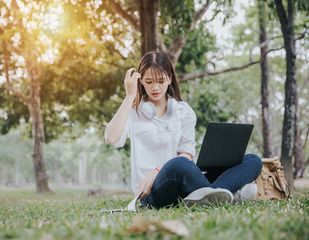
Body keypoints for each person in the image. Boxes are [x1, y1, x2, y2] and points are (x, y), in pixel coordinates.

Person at [104, 51, 262, 209]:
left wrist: (158, 170)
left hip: (184, 183)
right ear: (141, 82)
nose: (155, 87)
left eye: (161, 80)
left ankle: (210, 195)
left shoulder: (183, 111)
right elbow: (111, 138)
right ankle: (229, 193)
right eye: (149, 81)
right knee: (179, 164)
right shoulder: (133, 112)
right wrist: (129, 95)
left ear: (170, 79)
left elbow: (187, 153)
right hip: (151, 193)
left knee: (253, 160)